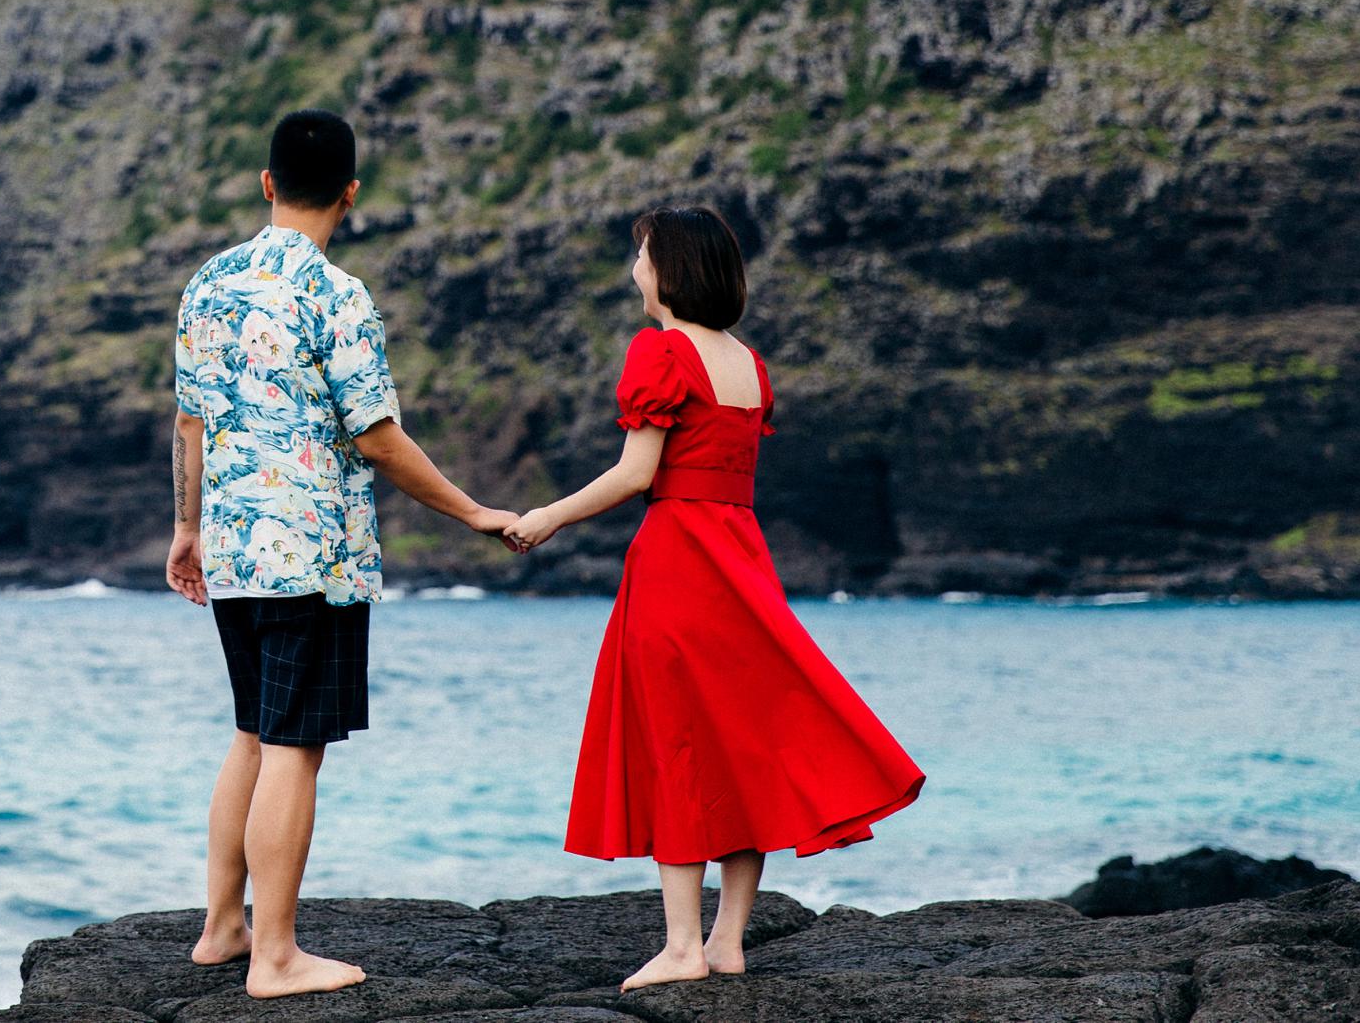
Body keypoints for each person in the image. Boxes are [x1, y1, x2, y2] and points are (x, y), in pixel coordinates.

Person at [503, 205, 925, 993]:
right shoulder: (749, 364)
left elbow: (636, 473)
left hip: (678, 567)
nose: (634, 272)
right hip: (742, 562)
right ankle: (727, 939)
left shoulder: (661, 351)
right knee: (742, 742)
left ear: (671, 269)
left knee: (679, 746)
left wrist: (547, 518)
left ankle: (681, 945)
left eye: (641, 256)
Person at [167, 109, 518, 999]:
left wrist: (186, 529)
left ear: (266, 182)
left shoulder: (208, 283)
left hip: (236, 550)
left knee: (251, 729)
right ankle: (276, 957)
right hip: (312, 557)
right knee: (294, 744)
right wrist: (472, 511)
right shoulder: (338, 294)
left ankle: (222, 926)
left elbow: (190, 419)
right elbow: (379, 436)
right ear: (351, 194)